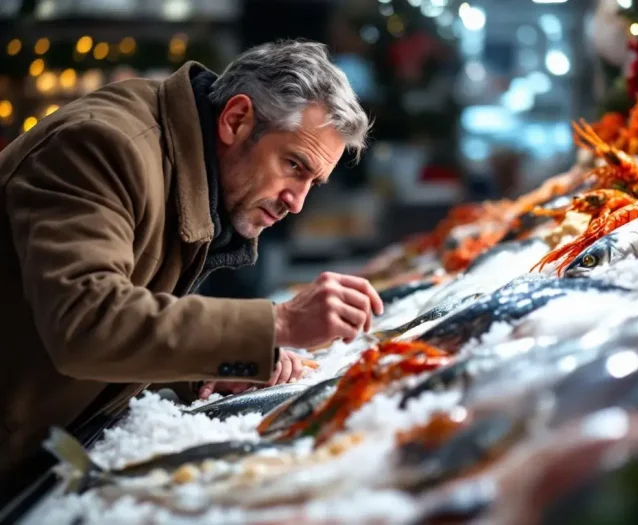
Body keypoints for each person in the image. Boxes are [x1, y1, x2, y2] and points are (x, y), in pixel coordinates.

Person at [0, 40, 383, 502]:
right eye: (293, 165)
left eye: (311, 183)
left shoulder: (190, 163)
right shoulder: (104, 146)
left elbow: (123, 309)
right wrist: (278, 325)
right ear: (236, 119)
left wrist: (206, 369)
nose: (296, 201)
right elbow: (86, 323)